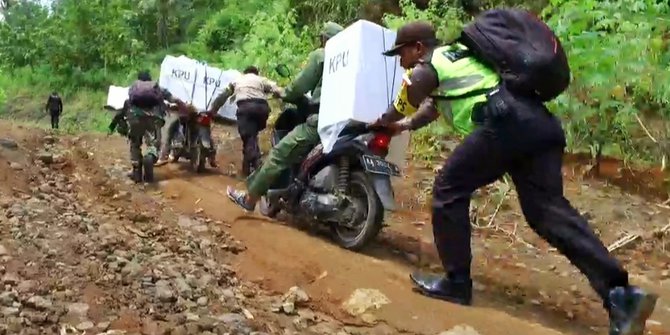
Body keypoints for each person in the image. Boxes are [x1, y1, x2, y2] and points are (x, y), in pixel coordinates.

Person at [375, 21, 656, 335]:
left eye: (401, 54)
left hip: (504, 124)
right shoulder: (461, 58)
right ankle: (622, 295)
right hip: (538, 126)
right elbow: (432, 107)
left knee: (448, 188)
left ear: (418, 47)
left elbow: (413, 93)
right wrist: (404, 127)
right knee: (548, 214)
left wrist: (385, 120)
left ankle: (456, 283)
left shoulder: (433, 63)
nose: (401, 61)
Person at [226, 21, 344, 210]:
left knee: (279, 154)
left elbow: (299, 86)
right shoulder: (351, 63)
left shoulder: (323, 56)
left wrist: (285, 93)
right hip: (346, 124)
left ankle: (249, 199)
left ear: (324, 39)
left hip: (321, 122)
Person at [207, 66, 284, 176]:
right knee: (251, 137)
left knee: (248, 137)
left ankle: (257, 165)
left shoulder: (238, 80)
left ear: (245, 73)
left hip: (246, 109)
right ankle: (246, 169)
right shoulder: (261, 80)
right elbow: (276, 88)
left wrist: (213, 109)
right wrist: (283, 96)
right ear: (256, 73)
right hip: (262, 110)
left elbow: (223, 95)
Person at [127, 70, 183, 182]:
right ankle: (150, 156)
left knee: (135, 143)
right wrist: (183, 105)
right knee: (154, 143)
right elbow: (173, 99)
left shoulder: (133, 87)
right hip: (154, 119)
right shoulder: (157, 88)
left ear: (139, 79)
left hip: (136, 118)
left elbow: (129, 102)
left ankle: (136, 172)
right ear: (149, 79)